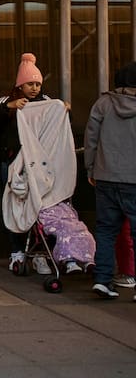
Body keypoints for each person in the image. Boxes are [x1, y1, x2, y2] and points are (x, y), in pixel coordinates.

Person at [0, 52, 52, 272]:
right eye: (29, 84)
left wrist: (64, 109)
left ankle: (39, 252)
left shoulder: (47, 103)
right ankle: (17, 250)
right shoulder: (8, 101)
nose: (34, 88)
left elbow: (63, 122)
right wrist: (10, 107)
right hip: (13, 163)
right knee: (15, 206)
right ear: (20, 85)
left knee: (42, 207)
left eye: (37, 84)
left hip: (40, 166)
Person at [83, 61, 136, 300]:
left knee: (105, 231)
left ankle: (103, 280)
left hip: (105, 177)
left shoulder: (103, 104)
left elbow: (91, 139)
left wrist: (91, 169)